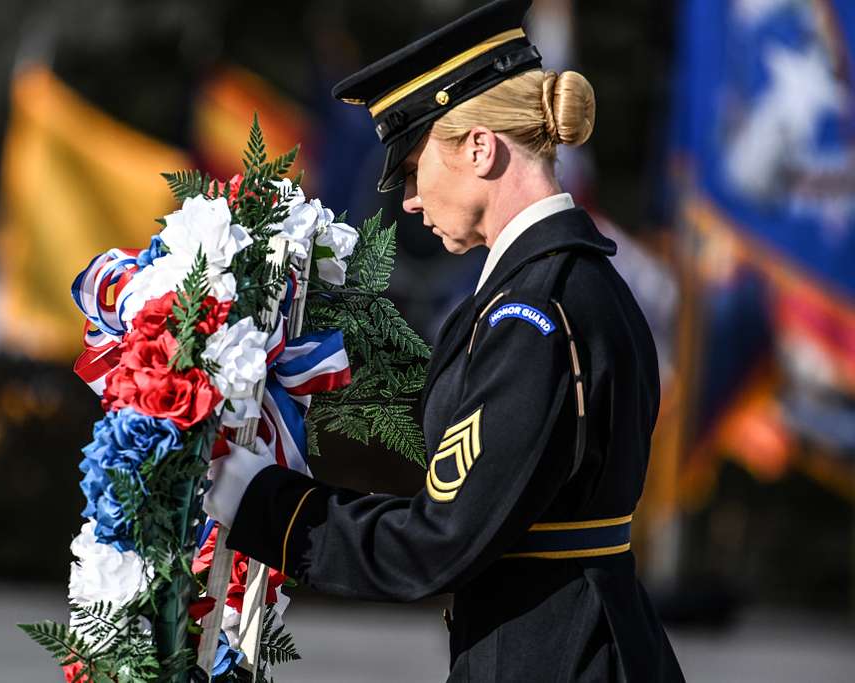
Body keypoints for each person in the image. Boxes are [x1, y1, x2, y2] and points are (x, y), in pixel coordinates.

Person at [204, 1, 685, 680]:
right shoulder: (572, 284)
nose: (406, 199)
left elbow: (438, 540)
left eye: (412, 166)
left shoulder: (533, 318)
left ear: (480, 148)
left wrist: (257, 501)